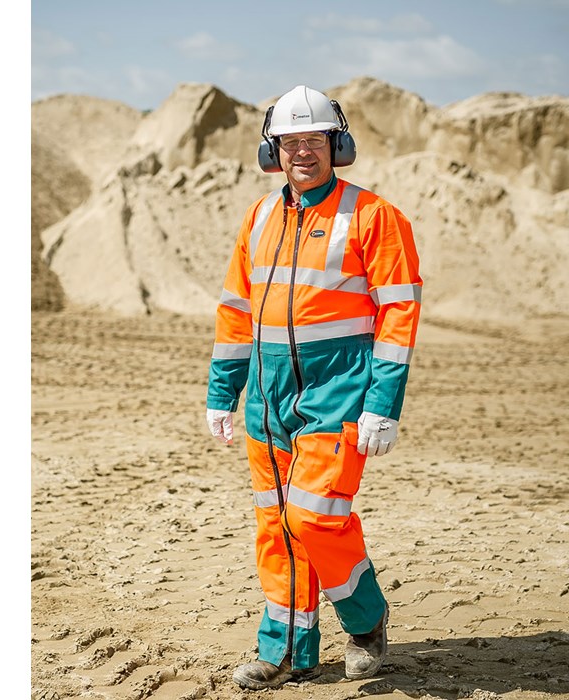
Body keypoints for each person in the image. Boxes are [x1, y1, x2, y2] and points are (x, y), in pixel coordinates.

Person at [205, 85, 422, 690]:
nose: (302, 152)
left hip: (339, 395)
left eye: (314, 141)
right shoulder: (259, 217)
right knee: (276, 526)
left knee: (313, 519)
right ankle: (286, 651)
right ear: (272, 150)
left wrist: (382, 403)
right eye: (290, 142)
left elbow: (399, 314)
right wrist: (223, 392)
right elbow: (234, 312)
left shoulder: (374, 216)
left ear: (337, 144)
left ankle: (366, 617)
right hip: (267, 400)